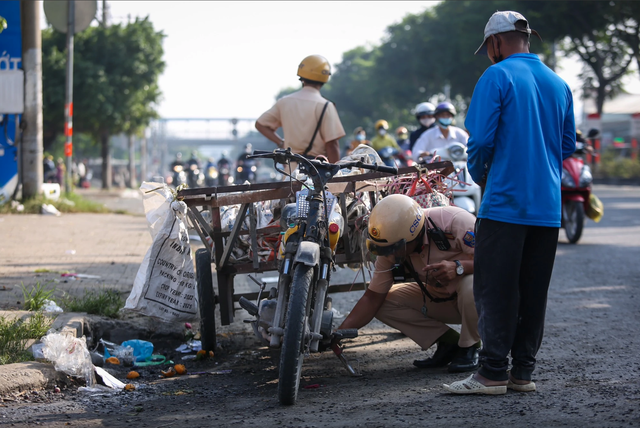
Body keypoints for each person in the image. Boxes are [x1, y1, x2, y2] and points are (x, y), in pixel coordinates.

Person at [443, 10, 576, 395]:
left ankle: (492, 373)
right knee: (534, 290)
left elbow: (481, 141)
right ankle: (523, 373)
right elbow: (566, 146)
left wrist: (484, 175)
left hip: (505, 203)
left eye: (487, 47)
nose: (488, 54)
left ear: (496, 43)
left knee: (496, 289)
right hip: (547, 208)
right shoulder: (559, 83)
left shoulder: (496, 76)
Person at [334, 194, 481, 373]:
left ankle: (471, 346)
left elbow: (496, 262)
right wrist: (338, 334)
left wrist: (459, 267)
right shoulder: (390, 246)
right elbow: (372, 298)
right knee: (382, 303)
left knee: (471, 283)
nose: (390, 256)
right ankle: (448, 342)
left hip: (479, 302)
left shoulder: (455, 222)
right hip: (441, 299)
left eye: (394, 249)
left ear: (415, 235)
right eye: (384, 250)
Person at [255, 55, 345, 165]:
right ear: (325, 76)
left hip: (290, 172)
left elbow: (260, 124)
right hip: (315, 171)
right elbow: (332, 145)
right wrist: (335, 174)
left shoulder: (284, 102)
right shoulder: (326, 106)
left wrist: (280, 142)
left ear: (301, 75)